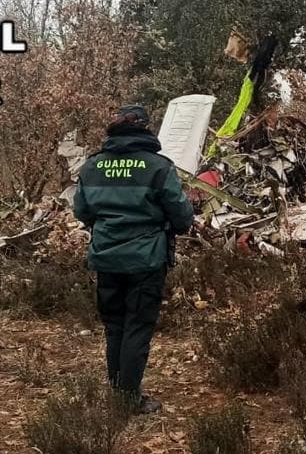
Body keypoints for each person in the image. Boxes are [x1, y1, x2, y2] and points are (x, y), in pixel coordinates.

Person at [73, 105, 193, 414]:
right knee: (137, 326)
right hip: (147, 260)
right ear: (144, 128)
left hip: (105, 257)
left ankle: (118, 391)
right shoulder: (158, 167)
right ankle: (129, 399)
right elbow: (181, 217)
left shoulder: (91, 167)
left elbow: (82, 213)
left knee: (114, 326)